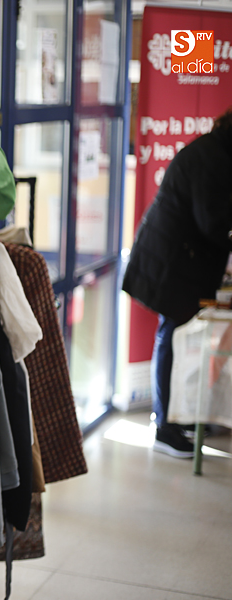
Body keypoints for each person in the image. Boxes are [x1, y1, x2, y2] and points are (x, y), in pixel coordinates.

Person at [123, 107, 232, 458]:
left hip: (175, 258)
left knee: (170, 334)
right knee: (169, 334)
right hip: (170, 261)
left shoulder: (214, 150)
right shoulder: (213, 158)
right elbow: (212, 221)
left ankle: (174, 416)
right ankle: (165, 427)